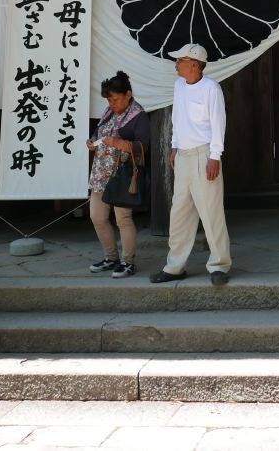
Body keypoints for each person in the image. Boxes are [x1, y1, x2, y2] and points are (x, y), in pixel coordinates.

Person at [151, 43, 232, 286]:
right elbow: (177, 119)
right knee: (179, 213)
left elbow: (219, 124)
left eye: (181, 60)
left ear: (194, 64)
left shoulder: (211, 88)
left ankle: (219, 265)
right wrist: (174, 146)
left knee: (211, 212)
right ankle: (175, 266)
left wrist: (215, 156)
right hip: (184, 156)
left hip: (204, 154)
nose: (176, 63)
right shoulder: (179, 86)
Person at [87, 71, 149, 278]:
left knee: (123, 218)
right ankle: (111, 257)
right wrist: (92, 141)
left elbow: (143, 146)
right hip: (100, 174)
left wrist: (121, 143)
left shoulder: (138, 115)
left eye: (116, 98)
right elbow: (98, 133)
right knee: (97, 217)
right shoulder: (108, 112)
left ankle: (128, 262)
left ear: (128, 94)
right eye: (109, 99)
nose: (112, 103)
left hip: (122, 175)